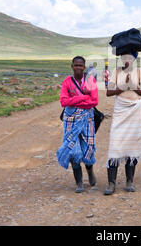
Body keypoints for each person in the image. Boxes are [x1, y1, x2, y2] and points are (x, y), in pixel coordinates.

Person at [104, 51, 141, 195]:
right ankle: (111, 183)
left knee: (132, 145)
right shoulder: (115, 72)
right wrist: (122, 87)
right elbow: (108, 92)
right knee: (115, 145)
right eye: (124, 57)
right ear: (121, 59)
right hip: (120, 109)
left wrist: (133, 85)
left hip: (135, 109)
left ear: (134, 59)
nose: (126, 60)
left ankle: (129, 181)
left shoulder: (139, 72)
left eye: (129, 57)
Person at [57, 56, 99, 193]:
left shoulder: (90, 81)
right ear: (72, 66)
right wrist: (83, 98)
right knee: (72, 149)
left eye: (81, 65)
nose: (78, 68)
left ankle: (90, 171)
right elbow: (63, 101)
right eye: (76, 65)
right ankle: (79, 182)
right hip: (71, 120)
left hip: (87, 119)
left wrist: (73, 100)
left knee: (88, 147)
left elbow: (94, 101)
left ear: (84, 67)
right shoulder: (67, 82)